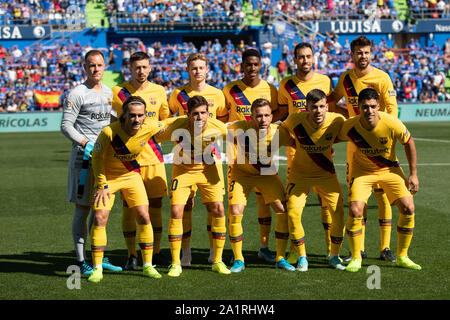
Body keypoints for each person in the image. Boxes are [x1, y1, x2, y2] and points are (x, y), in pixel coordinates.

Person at [337, 88, 421, 272]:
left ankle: (402, 256)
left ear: (379, 106)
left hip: (389, 169)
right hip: (363, 173)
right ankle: (356, 257)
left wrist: (413, 173)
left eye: (373, 106)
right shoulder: (350, 126)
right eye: (365, 107)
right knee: (355, 209)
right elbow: (330, 138)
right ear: (358, 107)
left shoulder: (392, 123)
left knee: (408, 207)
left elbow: (409, 143)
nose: (369, 111)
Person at [333, 35, 398, 262]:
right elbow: (333, 102)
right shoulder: (346, 79)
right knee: (358, 199)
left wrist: (376, 129)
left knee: (383, 197)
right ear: (352, 55)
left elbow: (392, 110)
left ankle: (386, 247)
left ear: (372, 53)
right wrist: (347, 119)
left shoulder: (382, 78)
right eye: (359, 52)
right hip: (355, 147)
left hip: (381, 147)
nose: (363, 56)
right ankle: (358, 249)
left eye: (366, 52)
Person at [88, 96, 166, 283]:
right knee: (99, 217)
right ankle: (97, 268)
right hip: (108, 178)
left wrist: (192, 120)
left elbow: (170, 122)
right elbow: (96, 158)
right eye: (132, 115)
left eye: (140, 115)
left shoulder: (148, 126)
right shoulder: (108, 132)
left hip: (131, 176)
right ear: (123, 115)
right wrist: (102, 184)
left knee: (144, 216)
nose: (136, 120)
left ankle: (147, 265)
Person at [278, 42, 341, 264]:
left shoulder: (325, 81)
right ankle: (296, 250)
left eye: (308, 56)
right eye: (301, 57)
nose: (305, 60)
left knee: (327, 203)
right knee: (294, 205)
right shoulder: (285, 84)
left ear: (313, 58)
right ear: (295, 60)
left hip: (322, 150)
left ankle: (329, 249)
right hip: (295, 151)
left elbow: (329, 110)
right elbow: (283, 114)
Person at [61, 49, 122, 275]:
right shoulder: (77, 93)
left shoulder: (110, 93)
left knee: (100, 210)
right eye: (91, 65)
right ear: (85, 68)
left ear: (105, 66)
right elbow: (65, 126)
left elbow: (116, 122)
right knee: (83, 208)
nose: (95, 69)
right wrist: (86, 143)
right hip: (84, 160)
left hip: (106, 162)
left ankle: (97, 256)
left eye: (99, 65)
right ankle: (80, 260)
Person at [155, 95, 230, 277]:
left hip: (208, 170)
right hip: (183, 171)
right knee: (177, 211)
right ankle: (176, 263)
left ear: (208, 113)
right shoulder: (175, 125)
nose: (199, 117)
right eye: (195, 113)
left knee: (218, 209)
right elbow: (153, 135)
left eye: (203, 113)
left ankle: (217, 261)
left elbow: (240, 137)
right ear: (188, 114)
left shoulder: (217, 127)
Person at [111, 51, 170, 270]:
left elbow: (165, 122)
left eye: (145, 67)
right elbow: (115, 122)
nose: (141, 71)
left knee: (156, 205)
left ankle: (155, 253)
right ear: (130, 68)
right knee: (130, 208)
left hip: (154, 158)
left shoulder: (159, 91)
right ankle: (131, 254)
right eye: (137, 67)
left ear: (150, 67)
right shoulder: (119, 92)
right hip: (128, 160)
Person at [168, 52, 227, 267]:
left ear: (207, 70)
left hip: (210, 162)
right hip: (184, 162)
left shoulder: (218, 94)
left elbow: (222, 123)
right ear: (188, 70)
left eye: (201, 67)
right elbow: (171, 119)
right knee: (186, 206)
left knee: (215, 207)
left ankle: (214, 252)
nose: (197, 71)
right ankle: (185, 253)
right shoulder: (178, 94)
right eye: (194, 68)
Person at [222, 48, 279, 263]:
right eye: (248, 64)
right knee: (236, 207)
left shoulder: (270, 89)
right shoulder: (229, 89)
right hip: (237, 157)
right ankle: (236, 255)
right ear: (242, 65)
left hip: (264, 155)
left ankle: (264, 247)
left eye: (256, 64)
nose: (252, 68)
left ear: (261, 65)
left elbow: (277, 114)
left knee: (265, 202)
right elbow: (223, 117)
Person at [226, 98, 295, 273]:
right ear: (251, 116)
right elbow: (216, 131)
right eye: (258, 116)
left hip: (266, 174)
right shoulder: (239, 127)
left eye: (266, 115)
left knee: (282, 209)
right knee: (235, 211)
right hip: (241, 175)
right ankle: (238, 259)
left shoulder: (280, 132)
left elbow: (299, 143)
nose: (263, 119)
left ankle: (280, 257)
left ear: (272, 116)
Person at [282, 89, 346, 272]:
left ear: (327, 107)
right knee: (293, 213)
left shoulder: (337, 120)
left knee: (339, 213)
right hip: (299, 175)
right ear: (306, 108)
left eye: (321, 106)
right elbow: (283, 131)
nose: (318, 111)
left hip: (326, 174)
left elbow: (346, 133)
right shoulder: (295, 120)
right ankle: (302, 257)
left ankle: (334, 256)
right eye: (314, 107)